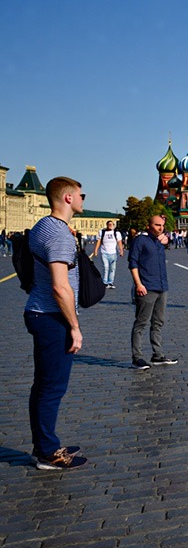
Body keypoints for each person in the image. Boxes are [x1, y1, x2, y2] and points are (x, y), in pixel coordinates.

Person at [24, 176, 88, 469]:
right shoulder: (58, 233)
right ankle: (48, 453)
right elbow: (60, 287)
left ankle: (45, 441)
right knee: (52, 387)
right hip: (52, 317)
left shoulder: (43, 227)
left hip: (40, 312)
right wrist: (74, 327)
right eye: (81, 195)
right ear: (67, 198)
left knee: (43, 385)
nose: (83, 199)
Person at [127, 215, 176, 370]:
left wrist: (166, 241)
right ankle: (137, 357)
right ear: (148, 225)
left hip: (162, 287)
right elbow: (133, 263)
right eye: (157, 225)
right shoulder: (140, 241)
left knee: (158, 322)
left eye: (162, 225)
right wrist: (138, 284)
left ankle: (157, 354)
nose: (161, 228)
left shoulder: (159, 242)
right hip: (146, 287)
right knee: (141, 322)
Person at [91, 220, 123, 289]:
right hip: (104, 253)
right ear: (107, 225)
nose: (110, 225)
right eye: (109, 224)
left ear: (113, 225)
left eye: (111, 224)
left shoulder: (116, 233)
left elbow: (119, 242)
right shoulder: (102, 232)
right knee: (106, 267)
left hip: (113, 253)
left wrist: (121, 251)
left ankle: (110, 282)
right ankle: (105, 282)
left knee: (112, 269)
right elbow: (99, 241)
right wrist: (96, 250)